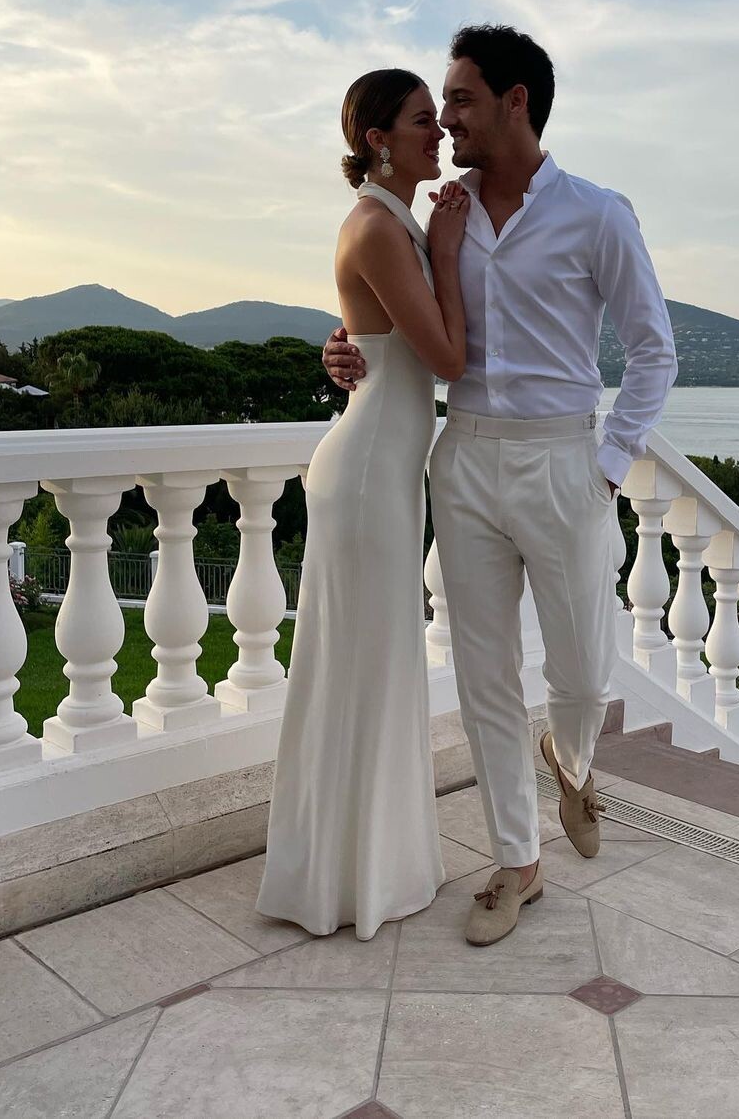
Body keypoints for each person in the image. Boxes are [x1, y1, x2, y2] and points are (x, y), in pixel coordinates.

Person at [323, 25, 678, 947]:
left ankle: (571, 756)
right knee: (484, 675)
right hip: (466, 458)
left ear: (516, 102)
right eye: (438, 104)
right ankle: (517, 864)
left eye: (461, 100)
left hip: (565, 461)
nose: (446, 119)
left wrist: (609, 464)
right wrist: (346, 351)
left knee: (582, 673)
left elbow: (653, 350)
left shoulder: (598, 214)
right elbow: (383, 309)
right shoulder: (442, 214)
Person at [256, 68, 469, 940]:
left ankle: (362, 869)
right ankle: (344, 877)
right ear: (380, 139)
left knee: (373, 665)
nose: (439, 132)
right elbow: (448, 359)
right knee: (363, 666)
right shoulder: (383, 228)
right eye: (423, 120)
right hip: (371, 471)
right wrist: (447, 251)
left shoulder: (392, 221)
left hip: (382, 467)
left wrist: (346, 349)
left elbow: (382, 343)